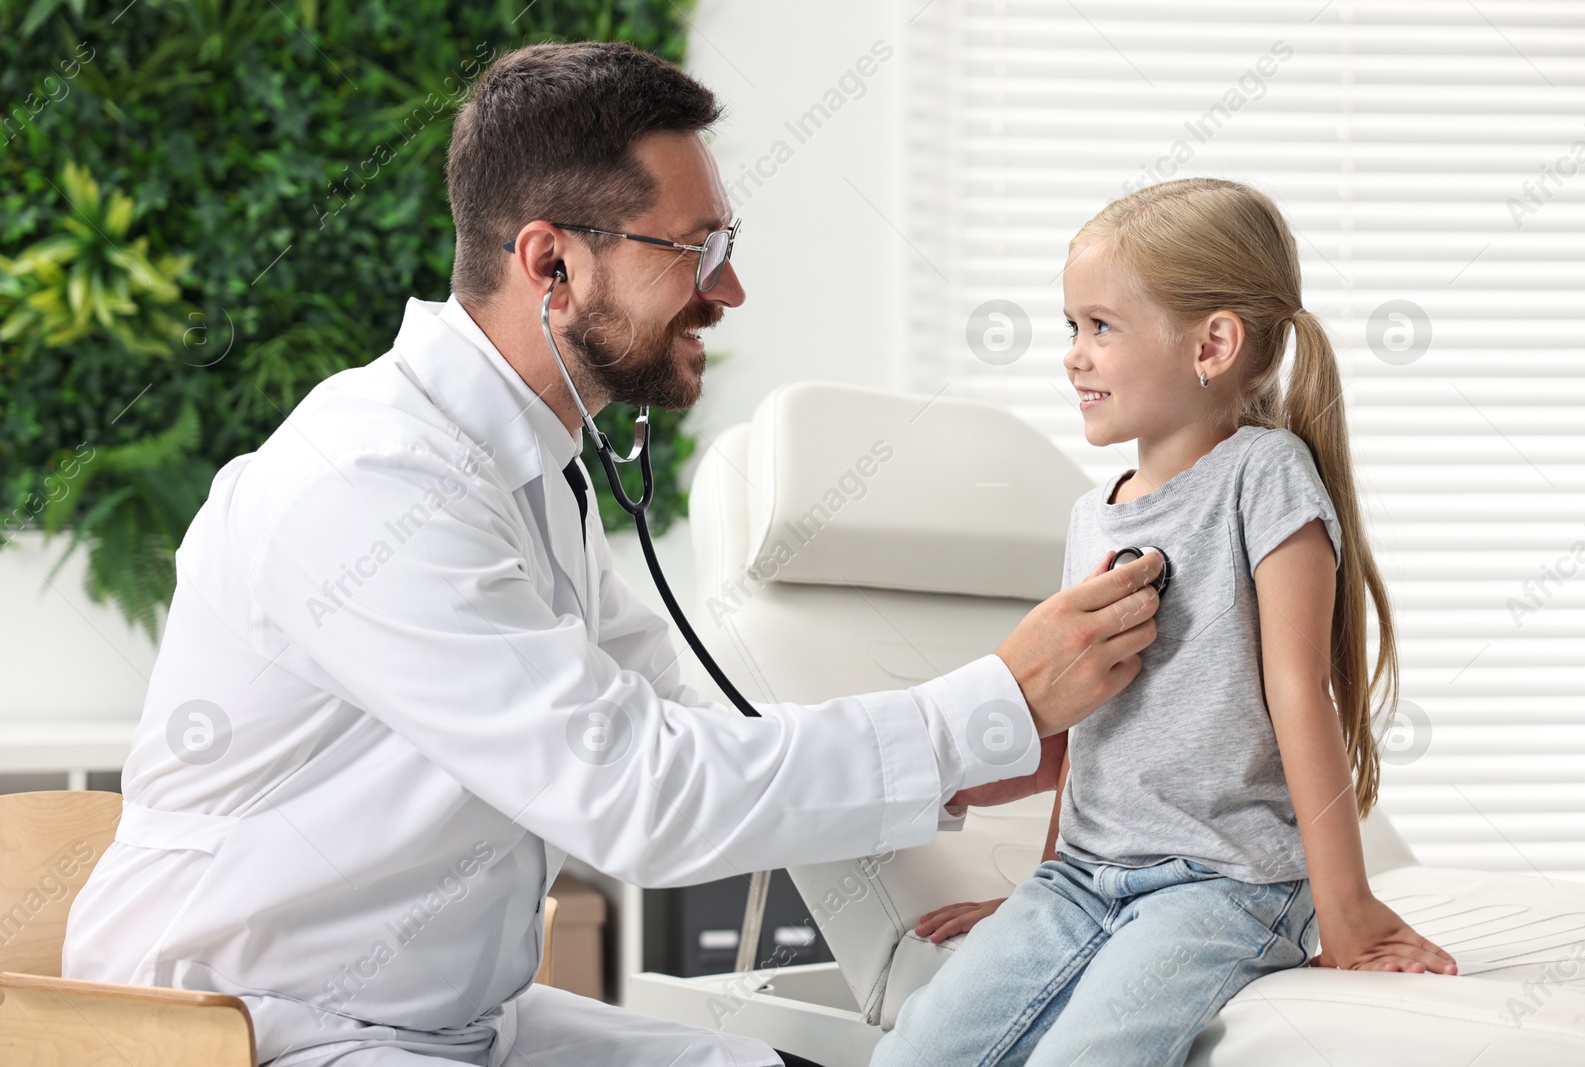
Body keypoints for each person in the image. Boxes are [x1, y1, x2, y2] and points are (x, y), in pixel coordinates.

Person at [61, 42, 1167, 1067]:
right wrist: (991, 700)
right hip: (240, 1031)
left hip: (450, 1021)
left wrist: (988, 752)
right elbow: (636, 792)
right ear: (550, 261)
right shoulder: (370, 482)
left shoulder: (528, 469)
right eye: (698, 251)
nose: (727, 291)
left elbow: (683, 725)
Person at [870, 178, 1460, 1067]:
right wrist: (1040, 886)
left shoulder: (1262, 475)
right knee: (915, 1053)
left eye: (1100, 327)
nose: (1073, 355)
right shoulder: (1090, 514)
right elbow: (1087, 713)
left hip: (1223, 882)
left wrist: (1348, 913)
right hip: (1080, 881)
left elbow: (1303, 696)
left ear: (1212, 344)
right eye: (1071, 327)